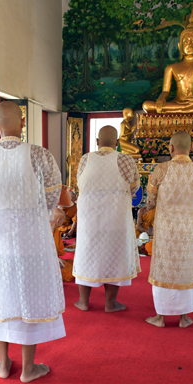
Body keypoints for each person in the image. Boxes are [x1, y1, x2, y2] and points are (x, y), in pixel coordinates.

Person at [0, 101, 65, 383]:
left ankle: (2, 363)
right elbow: (52, 196)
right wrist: (38, 214)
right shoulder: (40, 155)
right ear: (23, 122)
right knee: (28, 296)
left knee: (1, 296)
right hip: (31, 237)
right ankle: (28, 368)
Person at [145, 131, 193, 328]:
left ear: (170, 148)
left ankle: (161, 318)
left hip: (166, 229)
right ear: (191, 148)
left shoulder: (161, 169)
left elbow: (150, 200)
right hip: (189, 230)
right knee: (186, 269)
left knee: (164, 269)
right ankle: (184, 318)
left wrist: (151, 208)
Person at [73, 126, 141, 312]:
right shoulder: (125, 159)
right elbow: (135, 188)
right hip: (116, 218)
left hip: (89, 219)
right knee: (115, 256)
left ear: (97, 142)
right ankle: (110, 304)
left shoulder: (86, 159)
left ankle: (83, 302)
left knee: (87, 255)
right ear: (117, 143)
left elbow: (80, 184)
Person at [51, 208, 75, 282]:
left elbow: (59, 250)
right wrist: (55, 259)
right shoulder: (45, 232)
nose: (63, 221)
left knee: (73, 264)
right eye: (63, 220)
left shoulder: (56, 230)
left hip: (54, 259)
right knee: (68, 274)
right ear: (58, 221)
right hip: (46, 262)